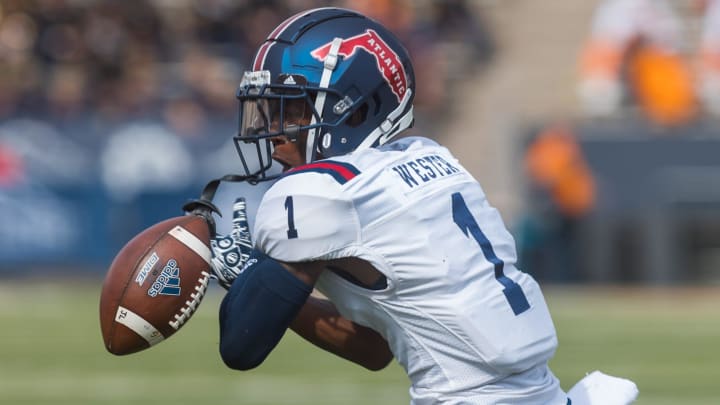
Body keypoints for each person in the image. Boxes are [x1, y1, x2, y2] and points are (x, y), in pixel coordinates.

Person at [197, 7, 639, 404]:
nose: (273, 132)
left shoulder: (322, 193)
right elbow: (374, 347)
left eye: (291, 111)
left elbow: (242, 344)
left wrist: (247, 274)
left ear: (354, 109)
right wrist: (262, 281)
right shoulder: (428, 158)